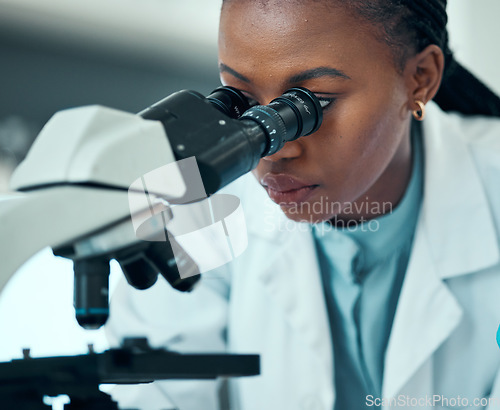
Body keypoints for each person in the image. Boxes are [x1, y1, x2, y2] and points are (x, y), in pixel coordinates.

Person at [106, 1, 500, 409]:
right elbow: (155, 392)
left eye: (312, 104)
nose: (273, 148)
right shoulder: (202, 207)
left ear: (420, 79)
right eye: (241, 100)